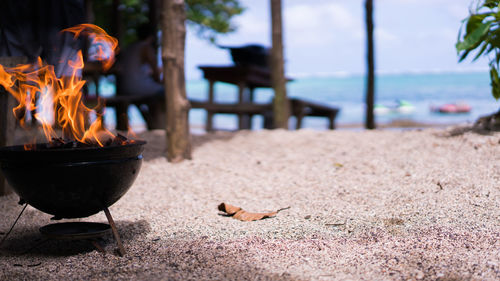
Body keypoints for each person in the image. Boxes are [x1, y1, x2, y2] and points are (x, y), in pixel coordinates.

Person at [115, 23, 165, 129]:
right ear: (152, 36)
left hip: (125, 87)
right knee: (164, 92)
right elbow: (156, 72)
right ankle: (161, 124)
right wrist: (160, 81)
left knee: (144, 101)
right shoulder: (145, 47)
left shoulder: (130, 47)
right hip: (138, 87)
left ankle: (152, 123)